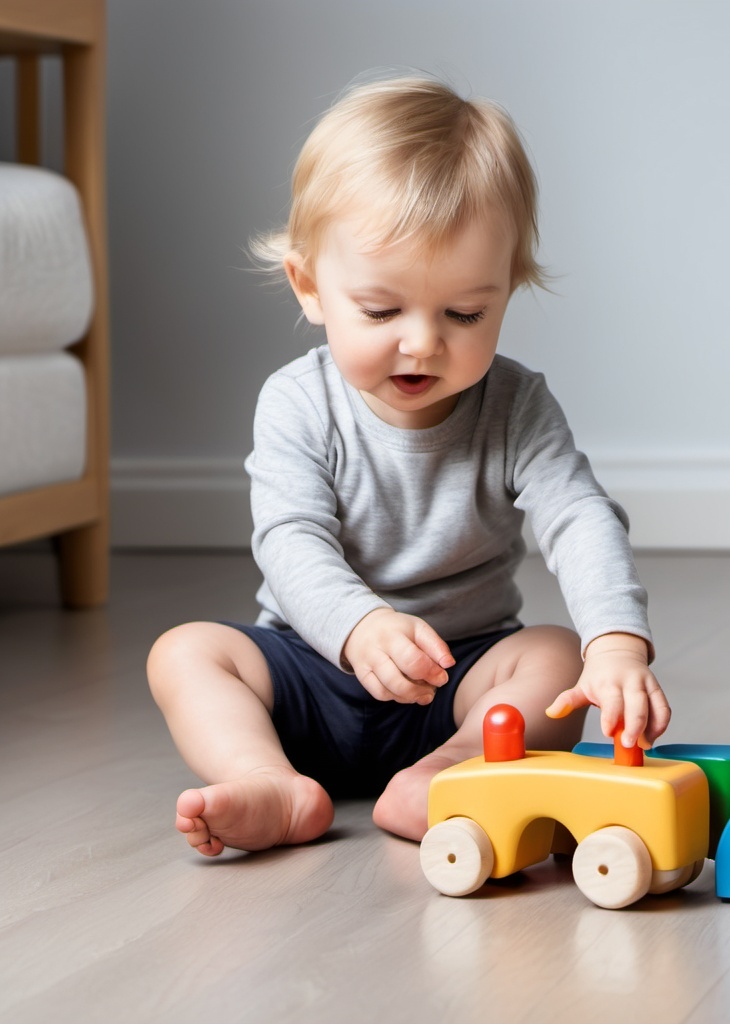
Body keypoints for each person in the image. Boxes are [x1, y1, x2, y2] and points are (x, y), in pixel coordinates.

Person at [147, 74, 671, 857]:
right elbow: (290, 539)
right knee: (186, 653)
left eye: (465, 313)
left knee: (555, 657)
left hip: (457, 683)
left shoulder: (516, 405)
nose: (423, 342)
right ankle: (269, 780)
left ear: (506, 294)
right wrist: (359, 627)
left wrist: (616, 644)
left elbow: (579, 516)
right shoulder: (299, 401)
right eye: (383, 310)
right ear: (310, 287)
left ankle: (454, 774)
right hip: (314, 671)